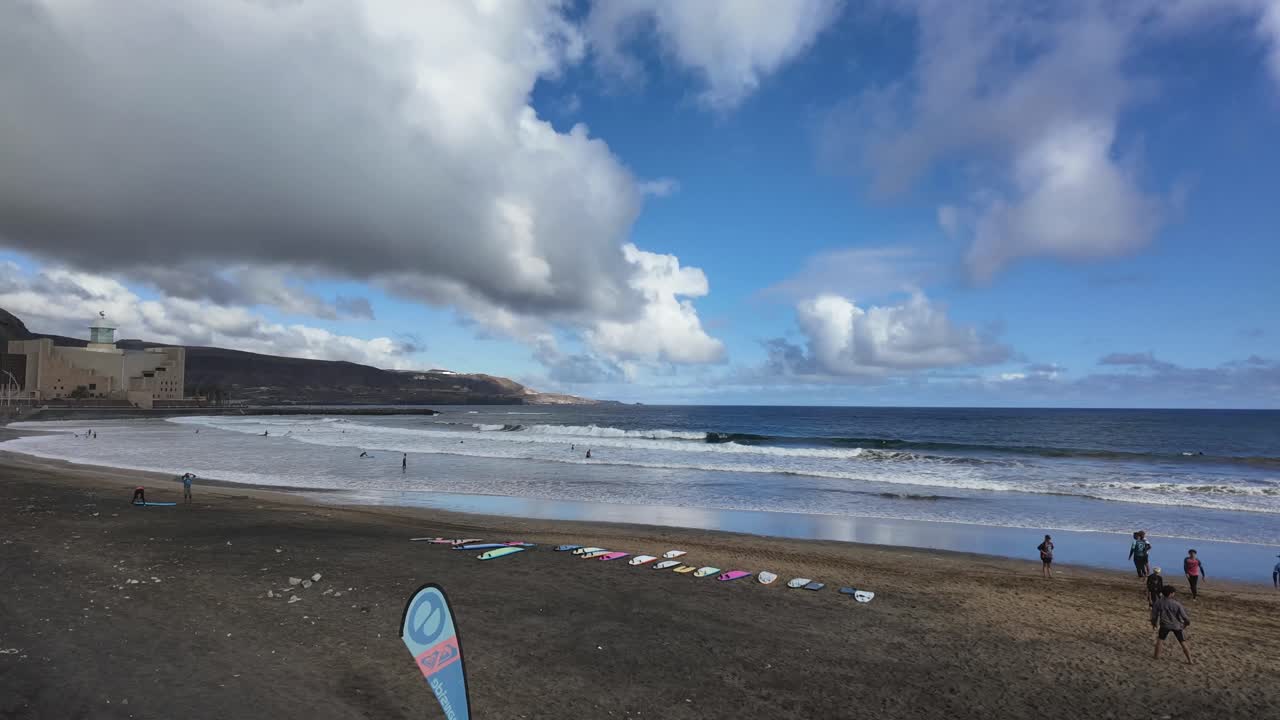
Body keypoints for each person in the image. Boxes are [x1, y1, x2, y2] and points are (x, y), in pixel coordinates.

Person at [1151, 586, 1193, 664]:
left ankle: (1156, 656)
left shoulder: (1158, 602)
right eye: (1173, 593)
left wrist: (1154, 623)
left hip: (1165, 625)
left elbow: (1154, 615)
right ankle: (1190, 660)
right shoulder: (1176, 604)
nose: (1174, 594)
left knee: (1160, 640)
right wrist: (1186, 624)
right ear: (1170, 594)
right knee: (1182, 642)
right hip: (1176, 625)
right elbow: (1184, 617)